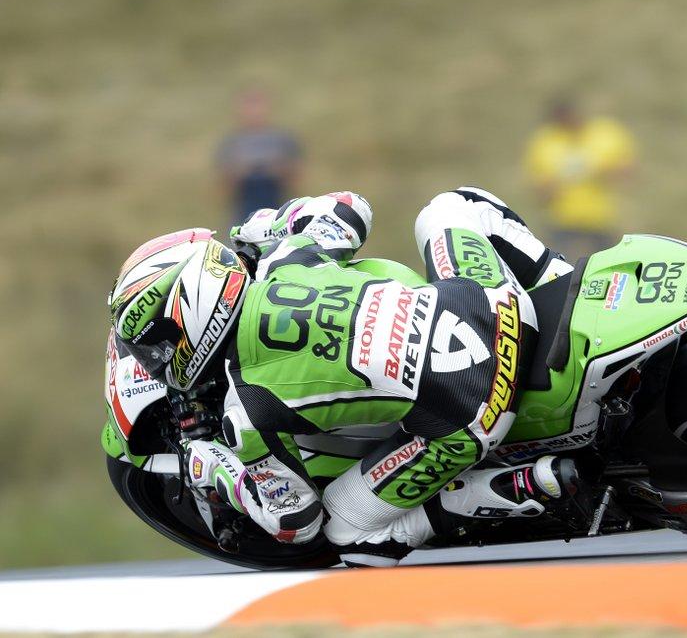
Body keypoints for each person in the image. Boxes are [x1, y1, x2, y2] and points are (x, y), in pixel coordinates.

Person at [107, 187, 580, 567]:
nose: (156, 362)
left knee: (349, 534)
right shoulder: (288, 258)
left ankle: (522, 486)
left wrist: (213, 465)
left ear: (191, 316)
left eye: (156, 348)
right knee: (452, 205)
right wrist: (273, 224)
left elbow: (295, 520)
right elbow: (352, 208)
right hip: (492, 303)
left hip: (478, 407)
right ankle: (563, 290)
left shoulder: (245, 409)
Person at [524, 99, 637, 259]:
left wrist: (596, 169)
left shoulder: (605, 133)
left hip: (601, 219)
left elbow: (627, 171)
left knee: (610, 268)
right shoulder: (545, 143)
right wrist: (561, 179)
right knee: (560, 271)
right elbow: (539, 191)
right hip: (561, 221)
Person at [215, 90, 303, 224]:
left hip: (276, 205)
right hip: (244, 208)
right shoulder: (232, 142)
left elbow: (295, 175)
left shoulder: (281, 140)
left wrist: (273, 171)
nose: (254, 111)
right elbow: (224, 182)